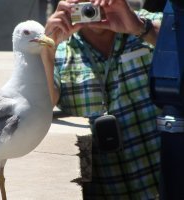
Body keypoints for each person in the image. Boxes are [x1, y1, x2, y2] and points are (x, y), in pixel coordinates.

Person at [41, 0, 163, 199]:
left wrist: (141, 28)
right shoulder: (59, 48)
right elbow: (41, 107)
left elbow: (177, 41)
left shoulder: (148, 24)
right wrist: (47, 49)